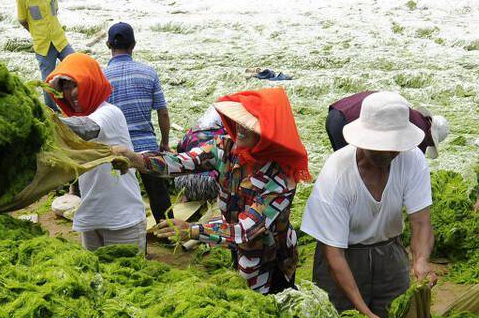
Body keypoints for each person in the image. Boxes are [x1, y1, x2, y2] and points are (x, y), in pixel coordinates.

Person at [116, 87, 311, 294]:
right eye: (239, 121)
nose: (240, 128)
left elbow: (245, 230)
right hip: (236, 243)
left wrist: (192, 230)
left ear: (270, 134)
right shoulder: (226, 148)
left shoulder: (282, 179)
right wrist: (137, 160)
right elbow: (181, 162)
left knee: (266, 304)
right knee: (242, 285)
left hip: (271, 256)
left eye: (249, 125)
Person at [301, 92, 436, 318]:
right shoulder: (337, 173)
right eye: (379, 149)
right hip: (345, 257)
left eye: (393, 149)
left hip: (389, 252)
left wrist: (421, 260)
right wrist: (365, 312)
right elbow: (335, 255)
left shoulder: (412, 159)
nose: (387, 156)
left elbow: (421, 221)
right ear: (362, 141)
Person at [44, 53, 147, 254]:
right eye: (64, 87)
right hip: (90, 218)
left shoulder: (109, 112)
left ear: (90, 82)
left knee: (126, 279)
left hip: (122, 219)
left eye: (75, 85)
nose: (70, 93)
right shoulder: (73, 120)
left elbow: (85, 128)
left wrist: (39, 117)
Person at [103, 22, 173, 221]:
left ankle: (130, 240)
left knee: (122, 199)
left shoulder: (102, 77)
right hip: (147, 147)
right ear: (133, 45)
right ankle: (168, 235)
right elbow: (163, 113)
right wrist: (165, 143)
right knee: (158, 194)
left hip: (116, 149)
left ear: (108, 45)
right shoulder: (149, 73)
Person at [16, 0, 73, 109]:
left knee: (75, 65)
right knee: (48, 81)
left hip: (59, 39)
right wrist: (36, 32)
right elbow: (22, 20)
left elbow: (55, 11)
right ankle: (52, 112)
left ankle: (75, 102)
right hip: (43, 45)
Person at [325, 91, 449, 158]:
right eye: (431, 143)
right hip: (347, 121)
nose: (427, 145)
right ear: (430, 135)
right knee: (352, 172)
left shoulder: (406, 111)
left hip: (334, 113)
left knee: (343, 166)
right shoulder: (418, 132)